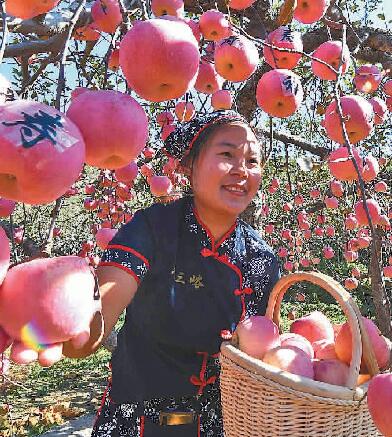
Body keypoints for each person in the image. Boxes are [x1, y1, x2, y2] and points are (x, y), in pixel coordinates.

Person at [63, 110, 280, 437]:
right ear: (190, 166)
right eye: (226, 155)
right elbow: (101, 311)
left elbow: (263, 353)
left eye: (252, 161)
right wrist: (67, 327)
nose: (241, 170)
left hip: (224, 422)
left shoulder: (261, 257)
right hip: (141, 419)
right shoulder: (152, 229)